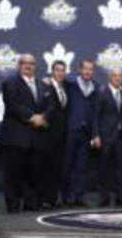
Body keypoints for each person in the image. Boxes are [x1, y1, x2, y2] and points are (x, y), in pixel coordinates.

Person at [0, 54, 55, 213]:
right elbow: (13, 105)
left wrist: (43, 117)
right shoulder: (10, 82)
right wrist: (32, 117)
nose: (28, 66)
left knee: (34, 174)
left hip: (37, 139)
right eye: (25, 63)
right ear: (19, 65)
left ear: (35, 66)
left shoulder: (43, 84)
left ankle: (31, 203)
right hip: (15, 138)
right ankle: (13, 205)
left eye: (31, 63)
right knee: (13, 174)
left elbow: (51, 105)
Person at [62, 59, 98, 207]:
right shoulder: (70, 84)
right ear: (80, 70)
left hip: (86, 133)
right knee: (67, 166)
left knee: (81, 167)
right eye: (85, 69)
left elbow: (96, 113)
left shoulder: (96, 88)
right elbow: (55, 83)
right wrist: (47, 80)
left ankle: (79, 196)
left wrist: (95, 133)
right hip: (71, 130)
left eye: (90, 69)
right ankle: (65, 196)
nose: (88, 72)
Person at [92, 68, 122, 208]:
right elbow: (95, 116)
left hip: (120, 137)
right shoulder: (102, 93)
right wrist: (96, 135)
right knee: (104, 169)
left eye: (120, 76)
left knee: (120, 169)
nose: (118, 78)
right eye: (115, 76)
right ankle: (104, 197)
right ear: (110, 77)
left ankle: (120, 197)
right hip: (105, 136)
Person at [42, 60, 68, 209]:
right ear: (52, 71)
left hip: (61, 136)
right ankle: (44, 199)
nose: (60, 73)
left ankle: (52, 198)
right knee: (46, 168)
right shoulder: (44, 85)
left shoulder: (65, 87)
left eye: (62, 70)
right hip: (46, 135)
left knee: (57, 168)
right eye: (57, 70)